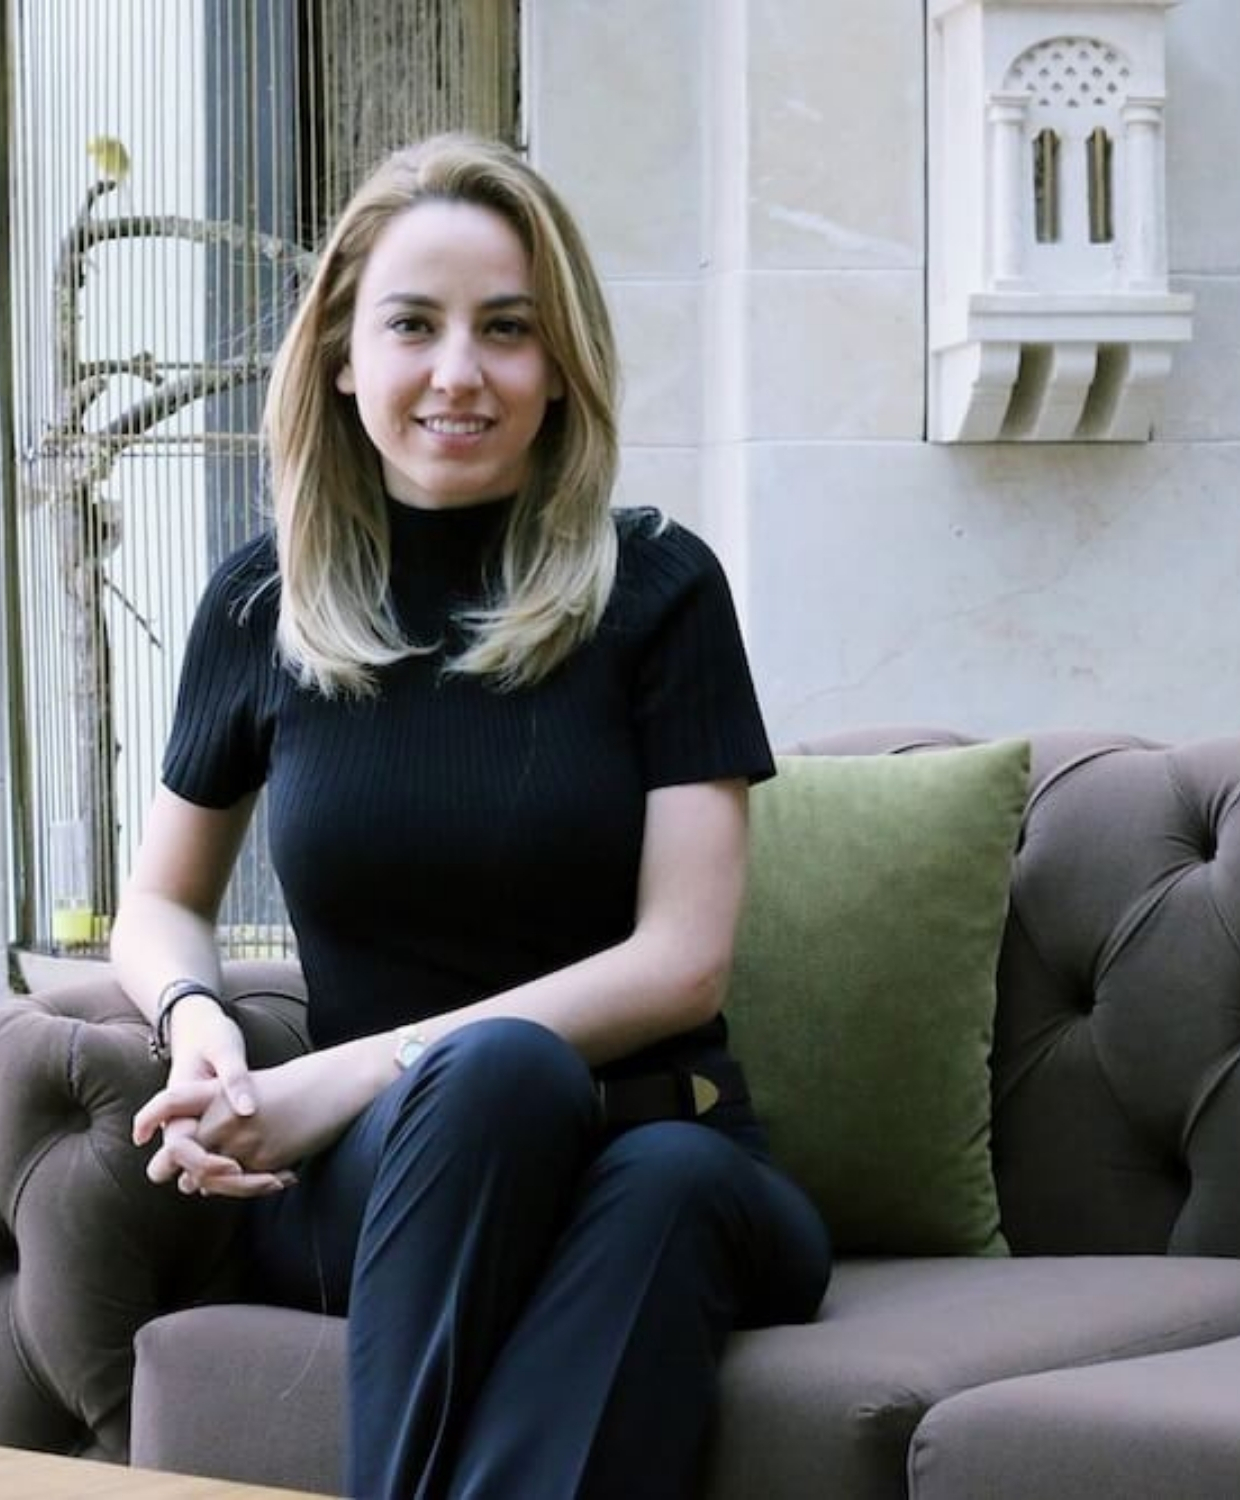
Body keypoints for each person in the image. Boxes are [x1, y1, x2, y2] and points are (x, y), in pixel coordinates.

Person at [111, 132, 830, 1500]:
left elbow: (682, 961)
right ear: (341, 354)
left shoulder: (659, 588)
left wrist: (351, 1071)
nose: (459, 372)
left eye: (507, 328)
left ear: (560, 364)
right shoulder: (263, 603)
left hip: (656, 1147)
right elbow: (162, 899)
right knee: (499, 1080)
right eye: (413, 325)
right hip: (389, 1187)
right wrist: (198, 1025)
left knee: (651, 1171)